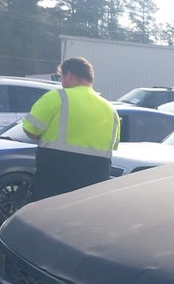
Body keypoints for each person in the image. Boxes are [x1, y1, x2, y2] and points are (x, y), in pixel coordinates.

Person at [23, 57, 120, 202]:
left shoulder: (57, 97)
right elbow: (113, 146)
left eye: (61, 77)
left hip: (56, 176)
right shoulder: (111, 110)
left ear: (69, 75)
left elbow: (30, 130)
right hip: (94, 182)